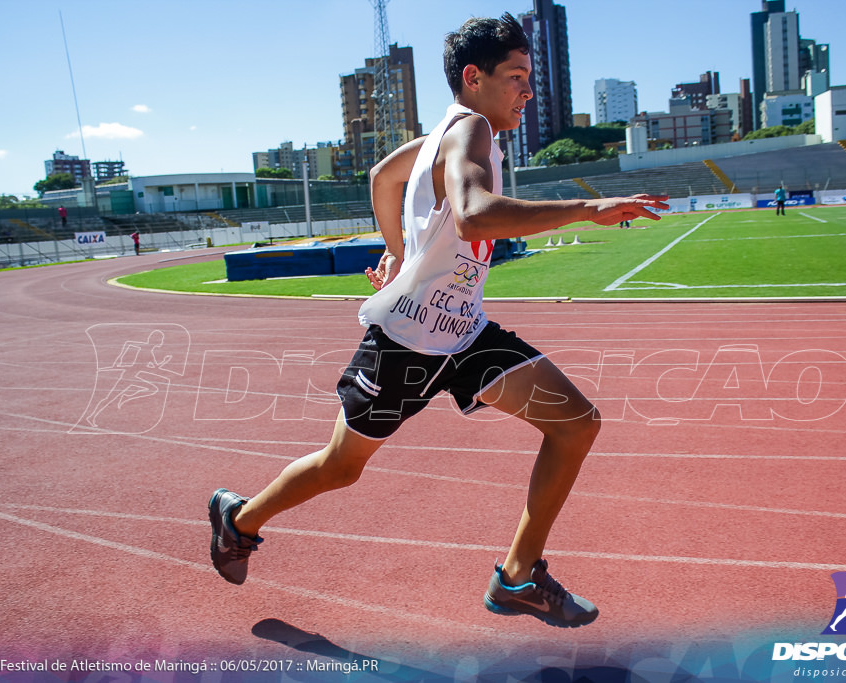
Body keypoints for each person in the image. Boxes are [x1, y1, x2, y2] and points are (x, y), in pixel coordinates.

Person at [208, 12, 667, 629]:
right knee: (341, 468)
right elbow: (475, 215)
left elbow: (382, 177)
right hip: (404, 341)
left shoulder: (444, 136)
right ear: (473, 77)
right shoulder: (470, 129)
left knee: (575, 423)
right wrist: (588, 207)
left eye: (530, 77)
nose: (528, 91)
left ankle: (518, 577)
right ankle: (238, 520)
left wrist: (398, 252)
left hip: (463, 333)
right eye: (516, 76)